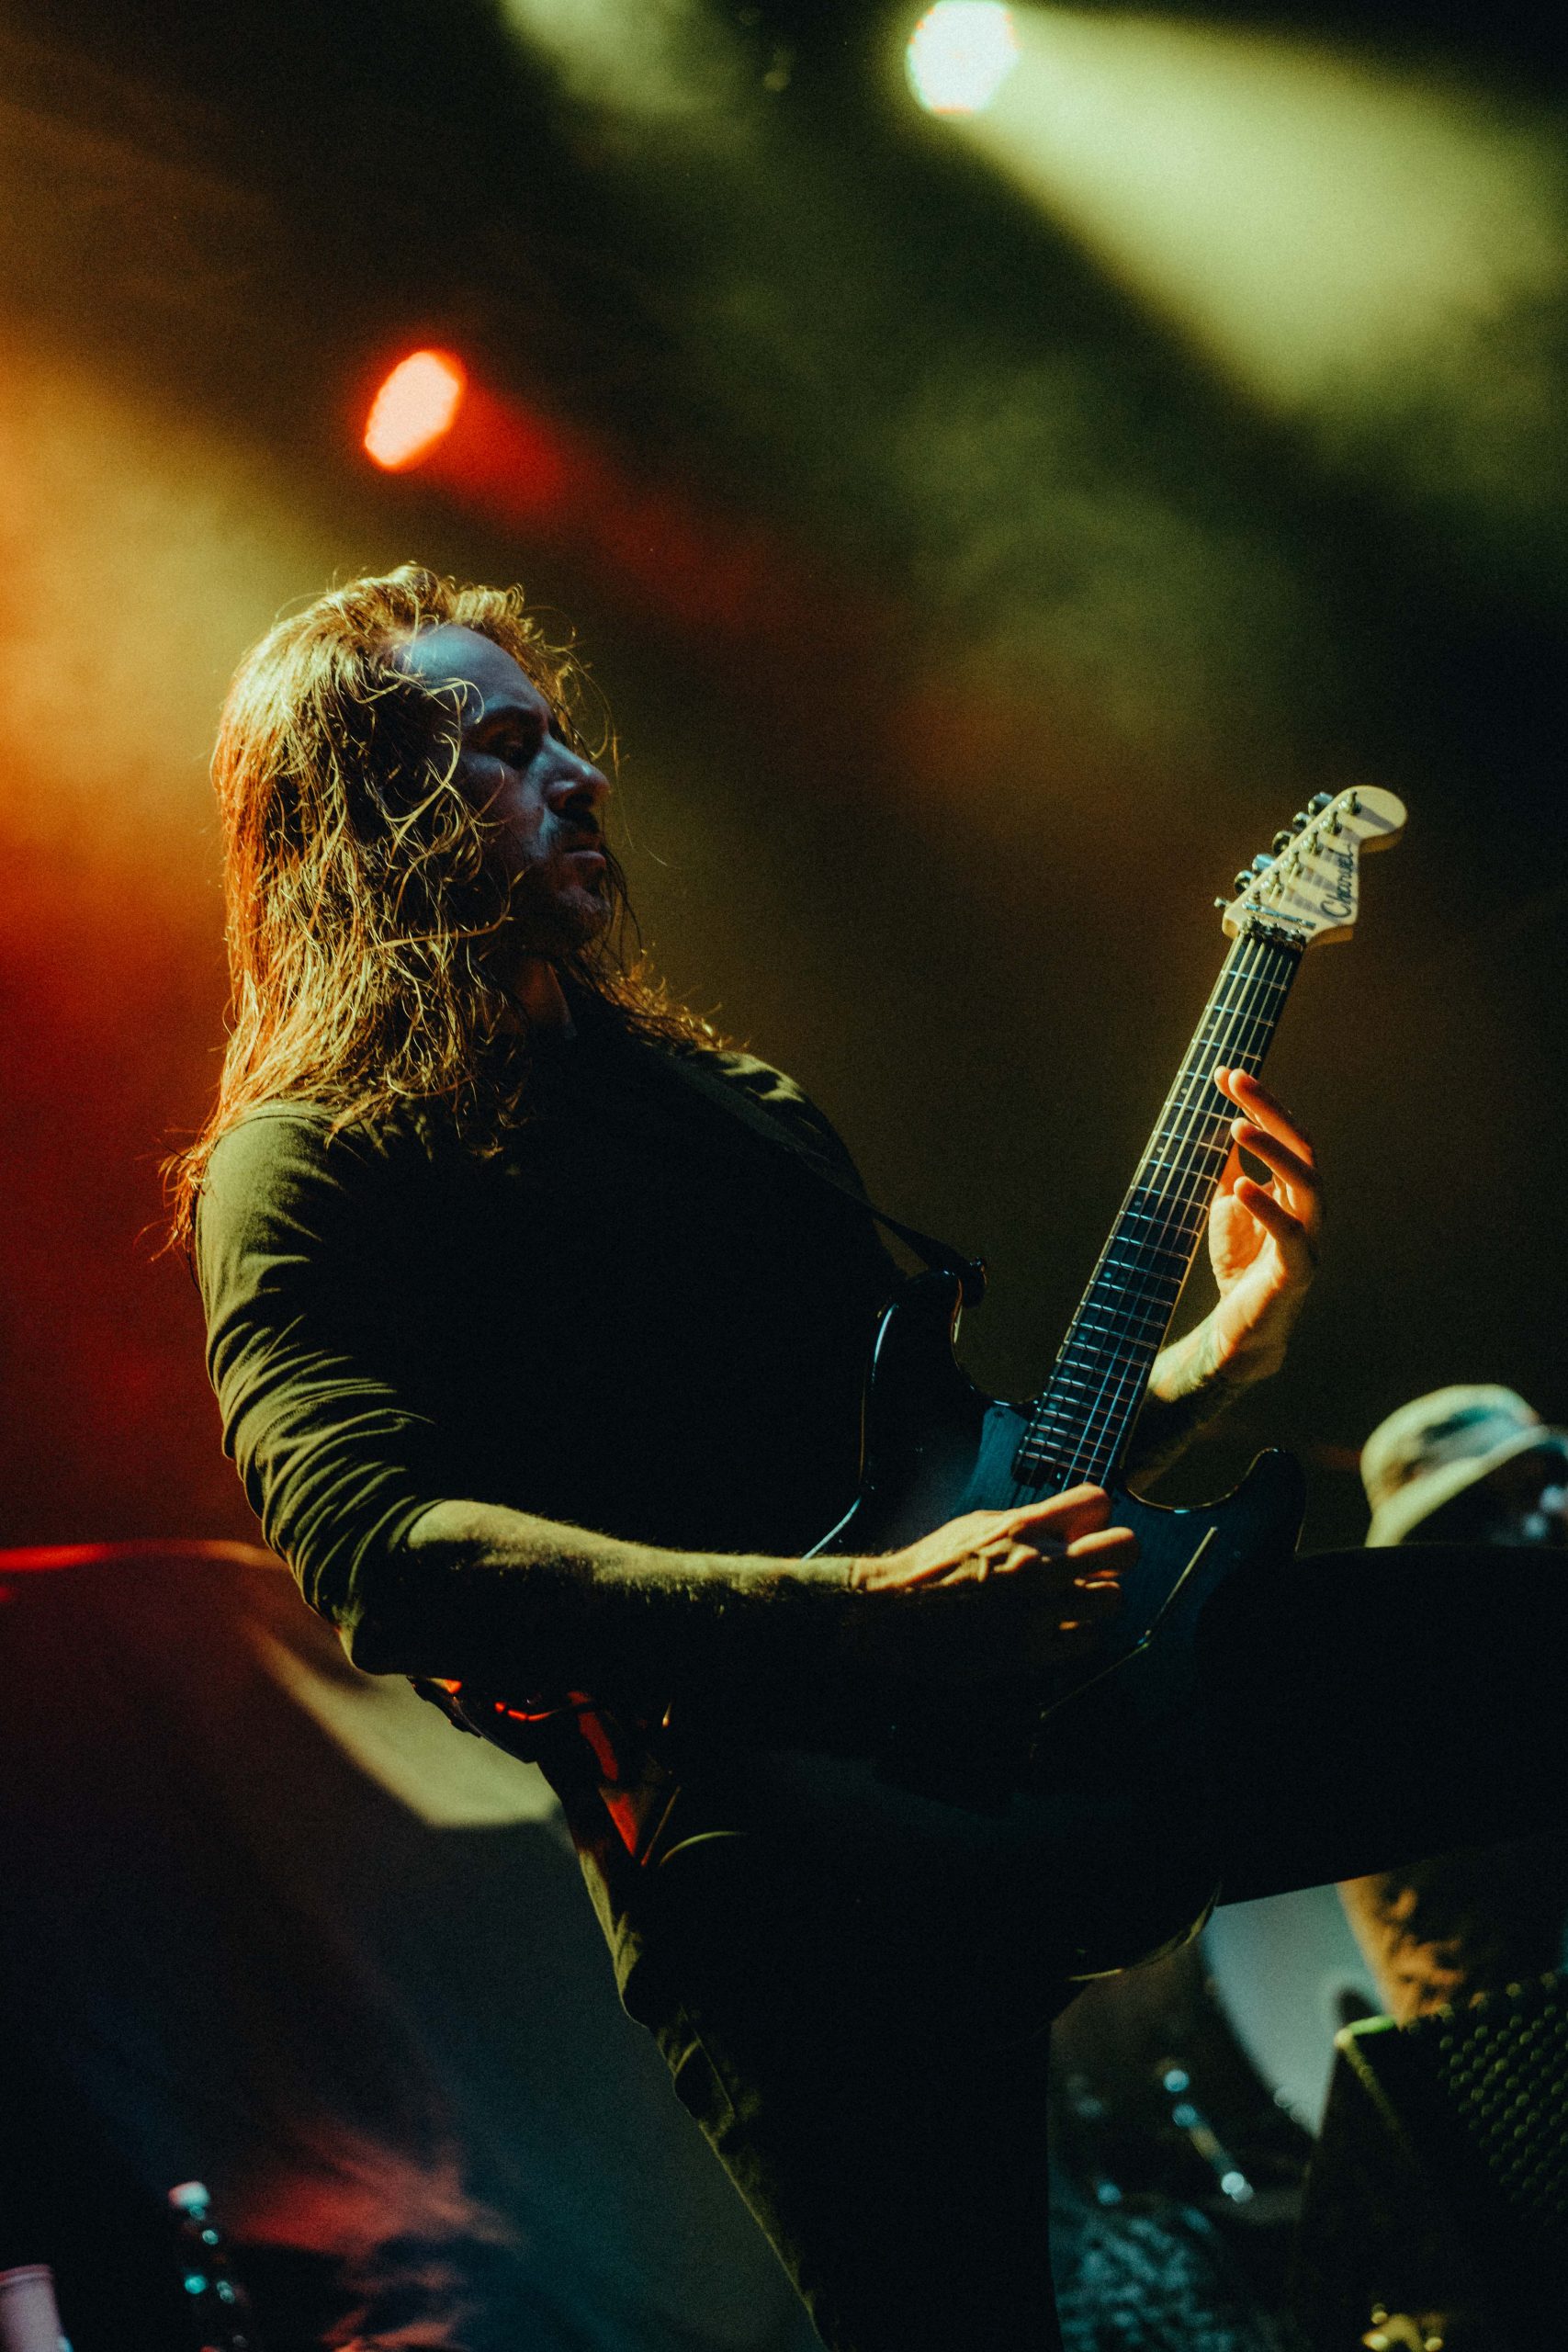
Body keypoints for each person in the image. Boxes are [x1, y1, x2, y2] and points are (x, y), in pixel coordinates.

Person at [176, 567, 1568, 2352]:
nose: (581, 777)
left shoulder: (732, 1105)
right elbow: (379, 1548)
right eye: (503, 750)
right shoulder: (304, 1165)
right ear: (366, 818)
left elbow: (972, 1493)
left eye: (564, 734)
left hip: (1082, 1722)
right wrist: (861, 1619)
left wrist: (1223, 1350)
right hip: (783, 1895)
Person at [1337, 1385, 1568, 2021]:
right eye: (1521, 1493)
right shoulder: (1419, 1694)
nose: (1555, 1509)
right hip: (1516, 2052)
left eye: (1552, 1482)